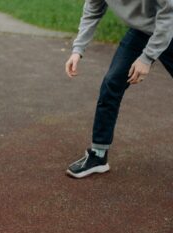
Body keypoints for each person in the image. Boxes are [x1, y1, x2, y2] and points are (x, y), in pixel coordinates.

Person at [65, 0, 173, 178]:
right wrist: (77, 50)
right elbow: (92, 11)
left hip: (170, 26)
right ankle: (98, 155)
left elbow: (169, 13)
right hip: (142, 31)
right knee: (111, 84)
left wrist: (147, 58)